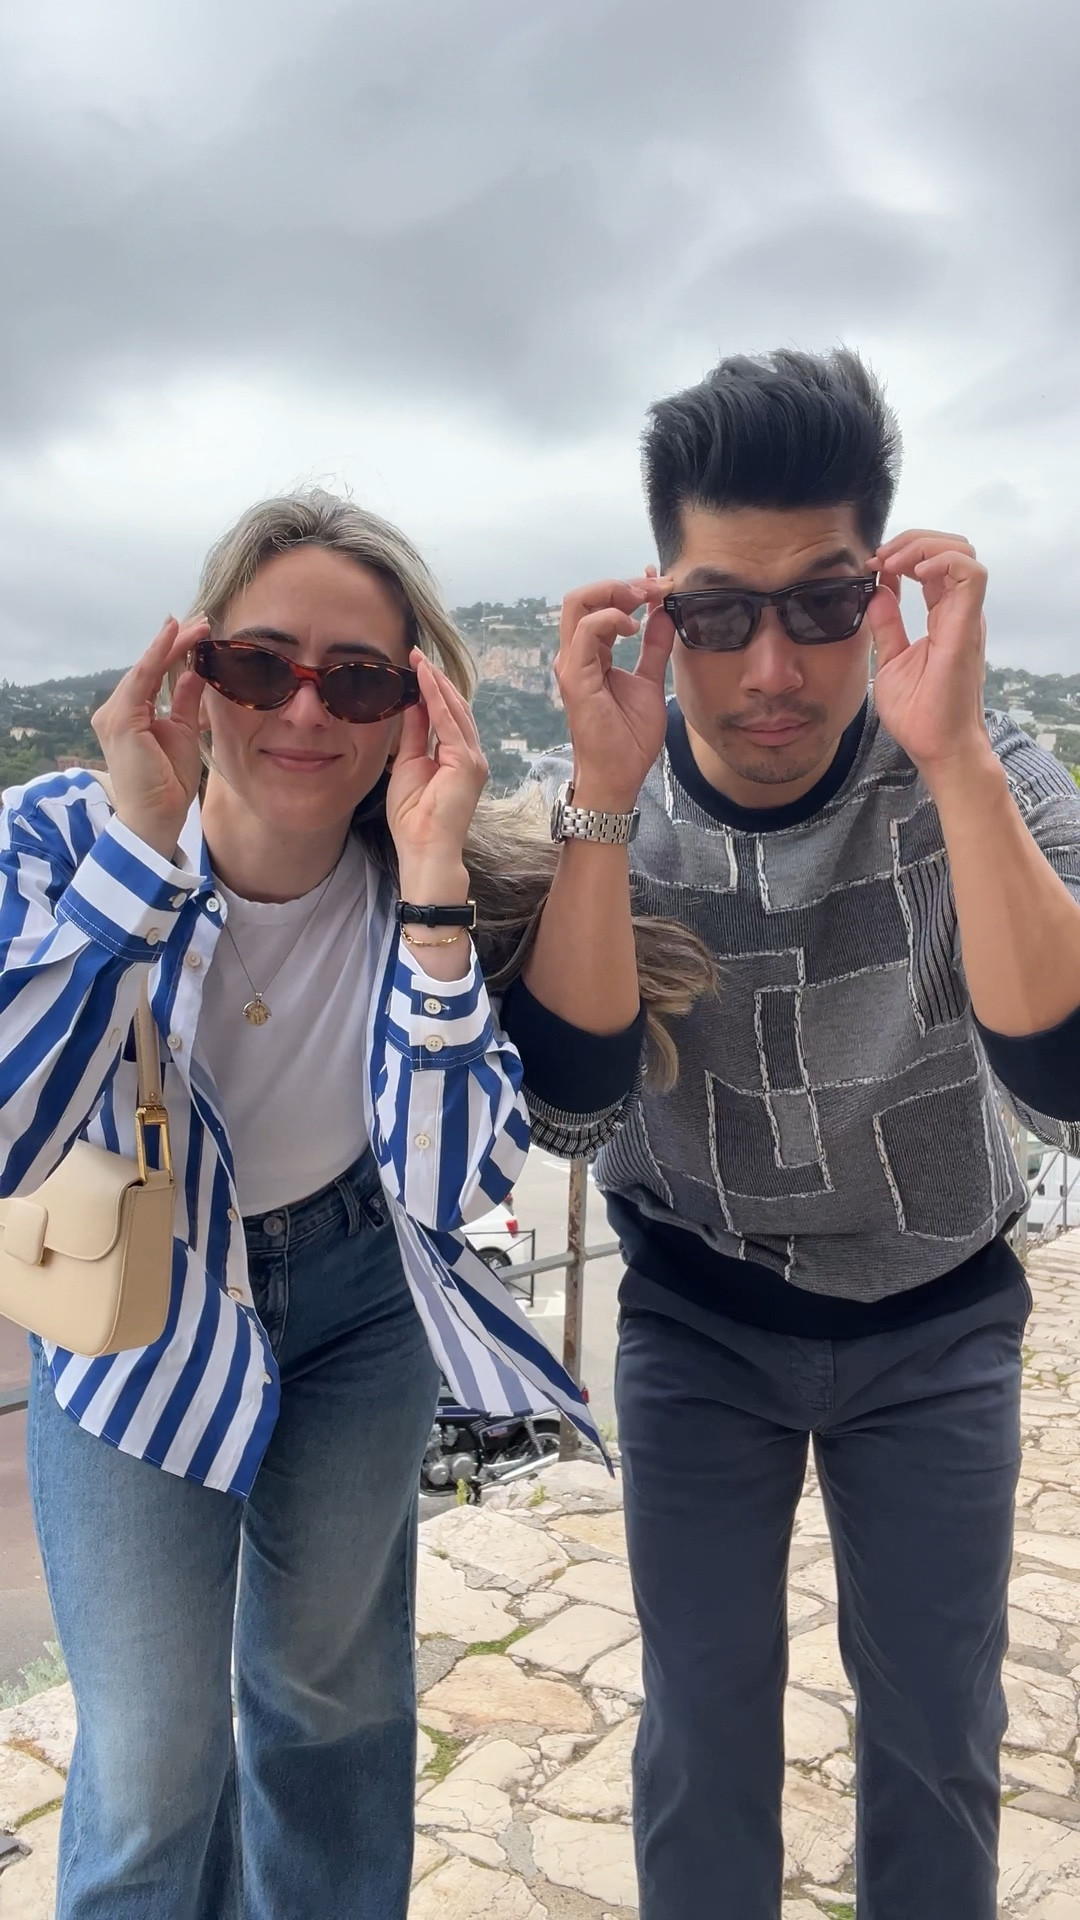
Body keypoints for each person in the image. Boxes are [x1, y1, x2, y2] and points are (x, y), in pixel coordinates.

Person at [504, 350, 1080, 1919]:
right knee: (702, 1739)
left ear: (884, 590)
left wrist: (956, 758)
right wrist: (602, 792)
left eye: (824, 604)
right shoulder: (614, 800)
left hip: (936, 1322)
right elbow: (573, 1106)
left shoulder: (985, 772)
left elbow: (1065, 1084)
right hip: (701, 1320)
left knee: (938, 1741)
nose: (772, 668)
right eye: (717, 615)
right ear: (660, 614)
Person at [0, 490, 617, 1920]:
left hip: (360, 1300)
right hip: (134, 1310)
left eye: (356, 681)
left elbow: (454, 1185)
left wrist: (436, 886)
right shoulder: (53, 841)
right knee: (150, 1761)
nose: (302, 709)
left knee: (332, 1702)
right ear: (195, 668)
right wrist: (138, 857)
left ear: (411, 709)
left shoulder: (420, 877)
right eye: (260, 663)